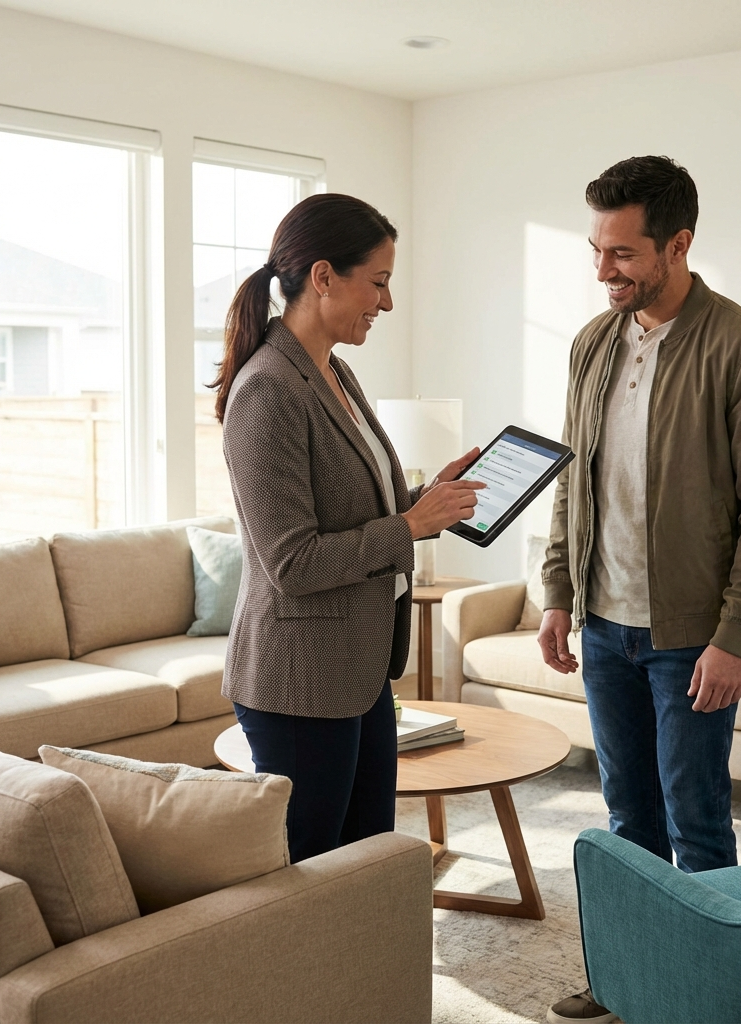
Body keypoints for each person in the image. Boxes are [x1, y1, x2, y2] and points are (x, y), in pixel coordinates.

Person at [542, 157, 741, 1024]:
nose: (603, 270)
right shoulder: (593, 343)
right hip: (602, 625)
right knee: (628, 819)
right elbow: (572, 480)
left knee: (697, 821)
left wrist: (735, 637)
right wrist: (556, 592)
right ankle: (628, 981)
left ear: (678, 245)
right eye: (596, 249)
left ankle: (711, 997)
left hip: (690, 637)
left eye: (622, 253)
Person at [214, 193, 483, 864]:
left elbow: (357, 509)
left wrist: (427, 499)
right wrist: (411, 524)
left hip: (357, 671)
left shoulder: (335, 371)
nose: (386, 303)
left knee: (368, 861)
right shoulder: (268, 390)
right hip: (299, 681)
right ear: (324, 276)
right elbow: (294, 563)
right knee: (314, 873)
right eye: (380, 282)